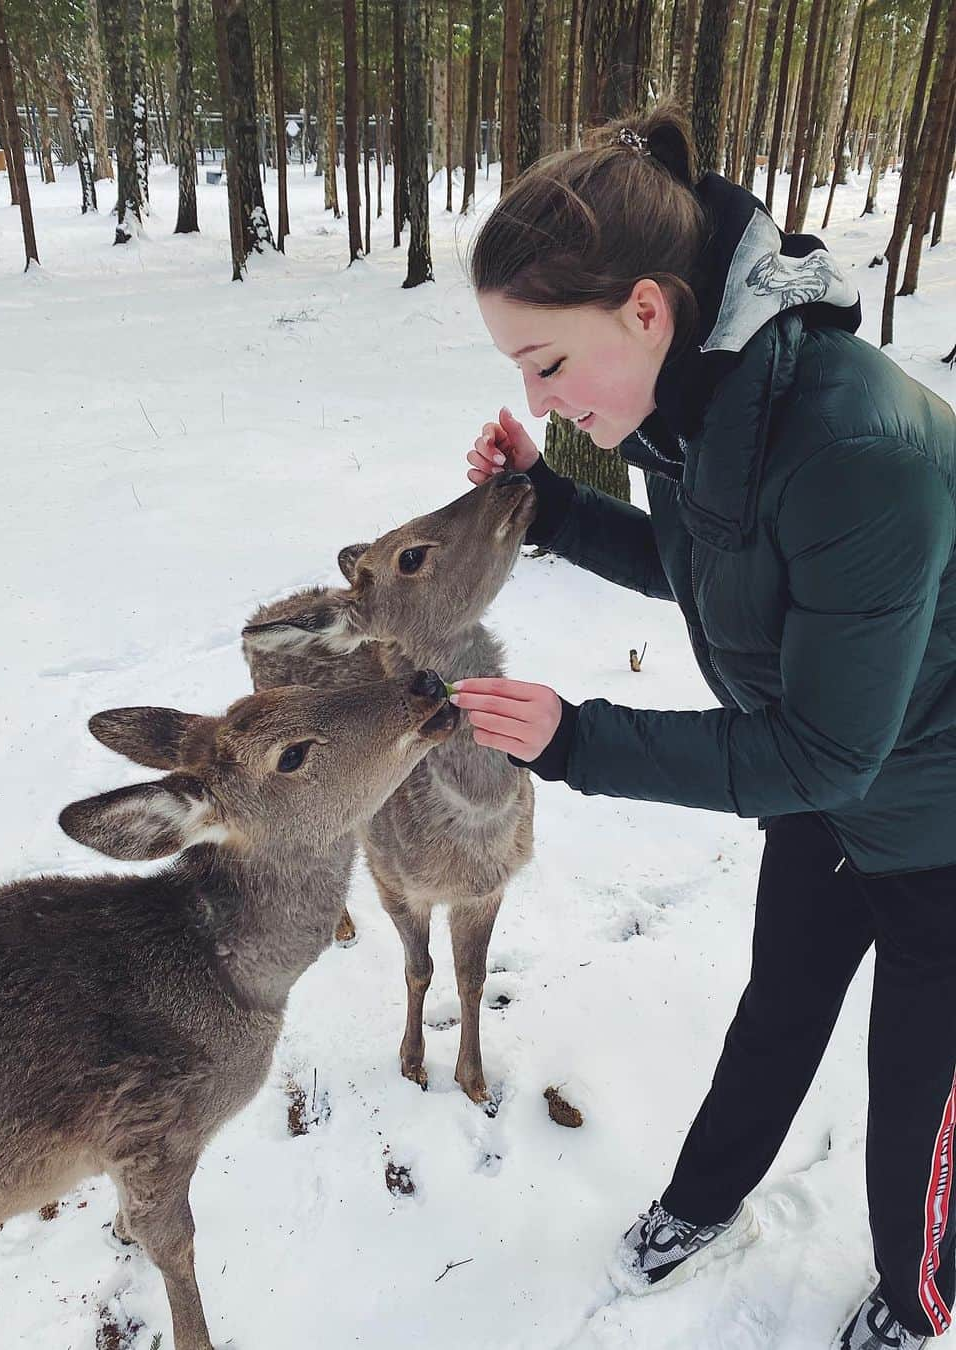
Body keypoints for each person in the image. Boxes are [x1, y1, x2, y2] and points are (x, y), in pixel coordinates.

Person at [449, 105, 956, 1350]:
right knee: (777, 1011)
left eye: (548, 363)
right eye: (518, 370)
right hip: (831, 796)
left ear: (643, 308)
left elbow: (830, 746)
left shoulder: (852, 443)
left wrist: (578, 741)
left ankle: (919, 1293)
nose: (540, 395)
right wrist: (549, 505)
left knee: (918, 1103)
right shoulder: (695, 401)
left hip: (938, 823)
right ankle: (703, 1197)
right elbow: (712, 565)